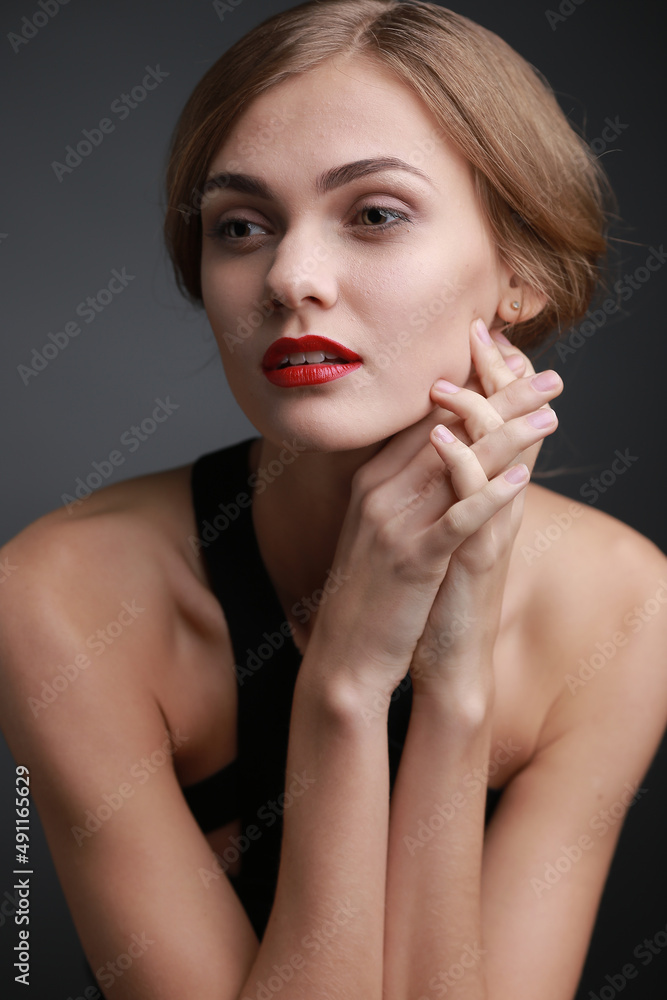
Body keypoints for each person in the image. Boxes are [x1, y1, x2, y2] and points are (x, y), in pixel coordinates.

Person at [1, 1, 665, 997]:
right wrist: (347, 683)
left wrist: (451, 679)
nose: (290, 276)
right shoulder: (59, 595)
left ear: (520, 271)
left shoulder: (626, 608)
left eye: (374, 213)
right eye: (241, 226)